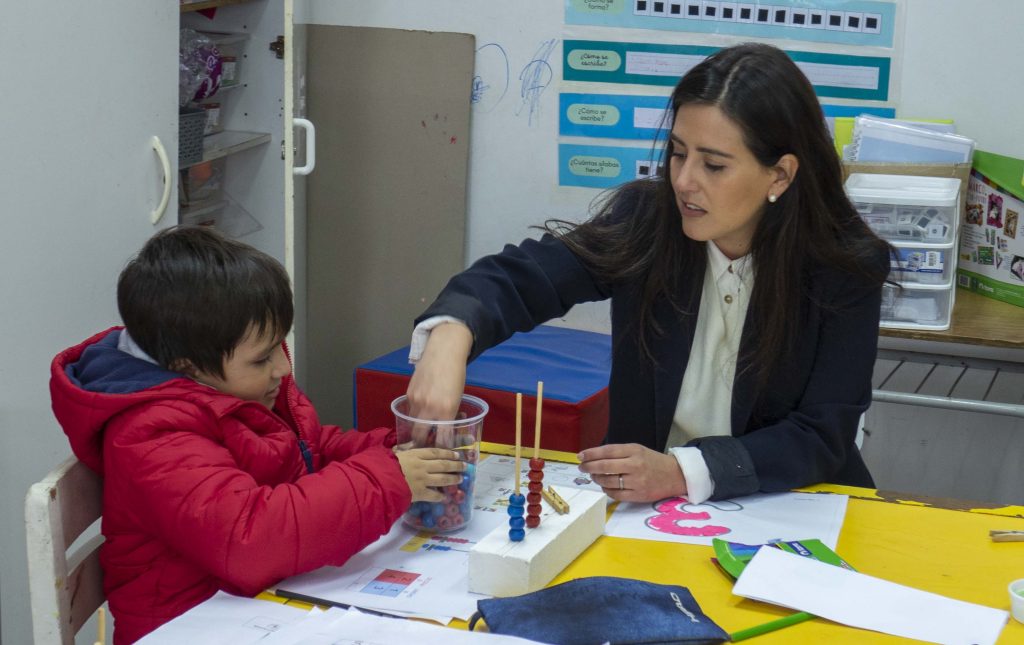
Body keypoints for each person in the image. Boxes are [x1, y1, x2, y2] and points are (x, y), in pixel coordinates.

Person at [406, 43, 891, 505]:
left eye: (714, 165)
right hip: (648, 517)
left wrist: (683, 471)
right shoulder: (647, 220)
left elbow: (821, 435)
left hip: (789, 509)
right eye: (679, 153)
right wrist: (453, 332)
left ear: (780, 175)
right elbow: (527, 276)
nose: (683, 181)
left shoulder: (843, 266)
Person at [49, 226, 464, 644]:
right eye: (262, 358)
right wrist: (389, 478)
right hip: (188, 625)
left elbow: (310, 451)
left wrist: (397, 449)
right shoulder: (152, 432)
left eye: (278, 347)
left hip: (252, 603)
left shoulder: (233, 385)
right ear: (187, 365)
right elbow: (250, 538)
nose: (282, 370)